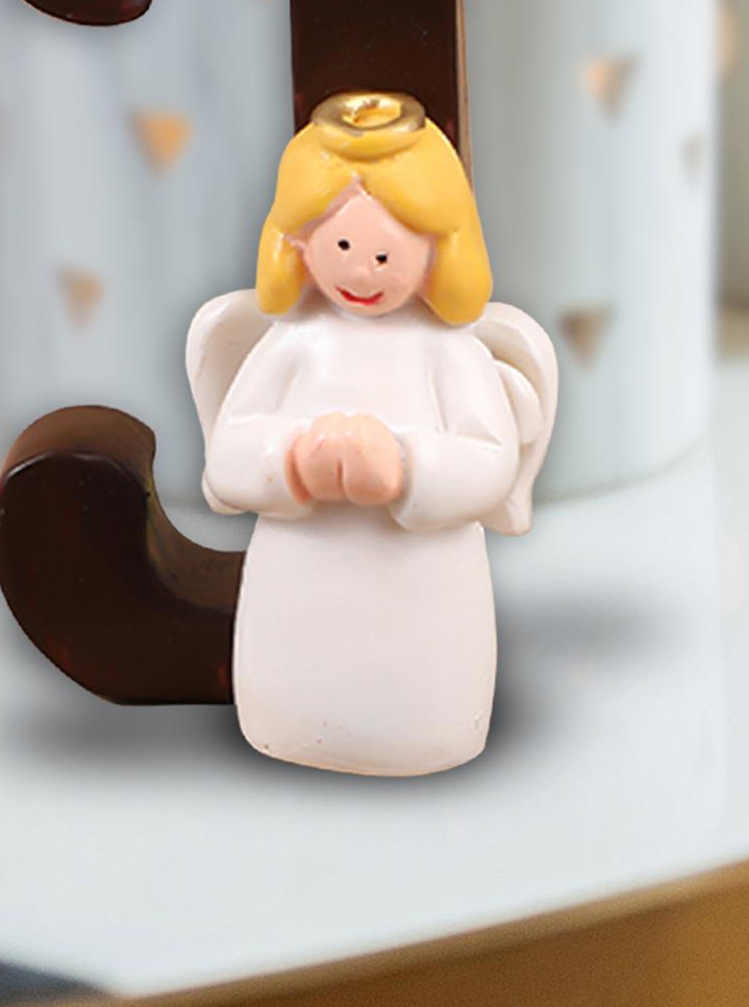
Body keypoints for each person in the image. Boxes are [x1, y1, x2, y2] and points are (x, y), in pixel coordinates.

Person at [187, 90, 556, 776]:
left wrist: (405, 465)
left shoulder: (451, 353)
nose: (360, 271)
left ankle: (423, 731)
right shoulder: (293, 343)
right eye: (342, 246)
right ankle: (289, 720)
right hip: (299, 588)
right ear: (298, 241)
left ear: (440, 246)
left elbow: (490, 460)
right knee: (295, 676)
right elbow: (228, 454)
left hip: (424, 598)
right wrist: (288, 459)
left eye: (385, 256)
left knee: (420, 688)